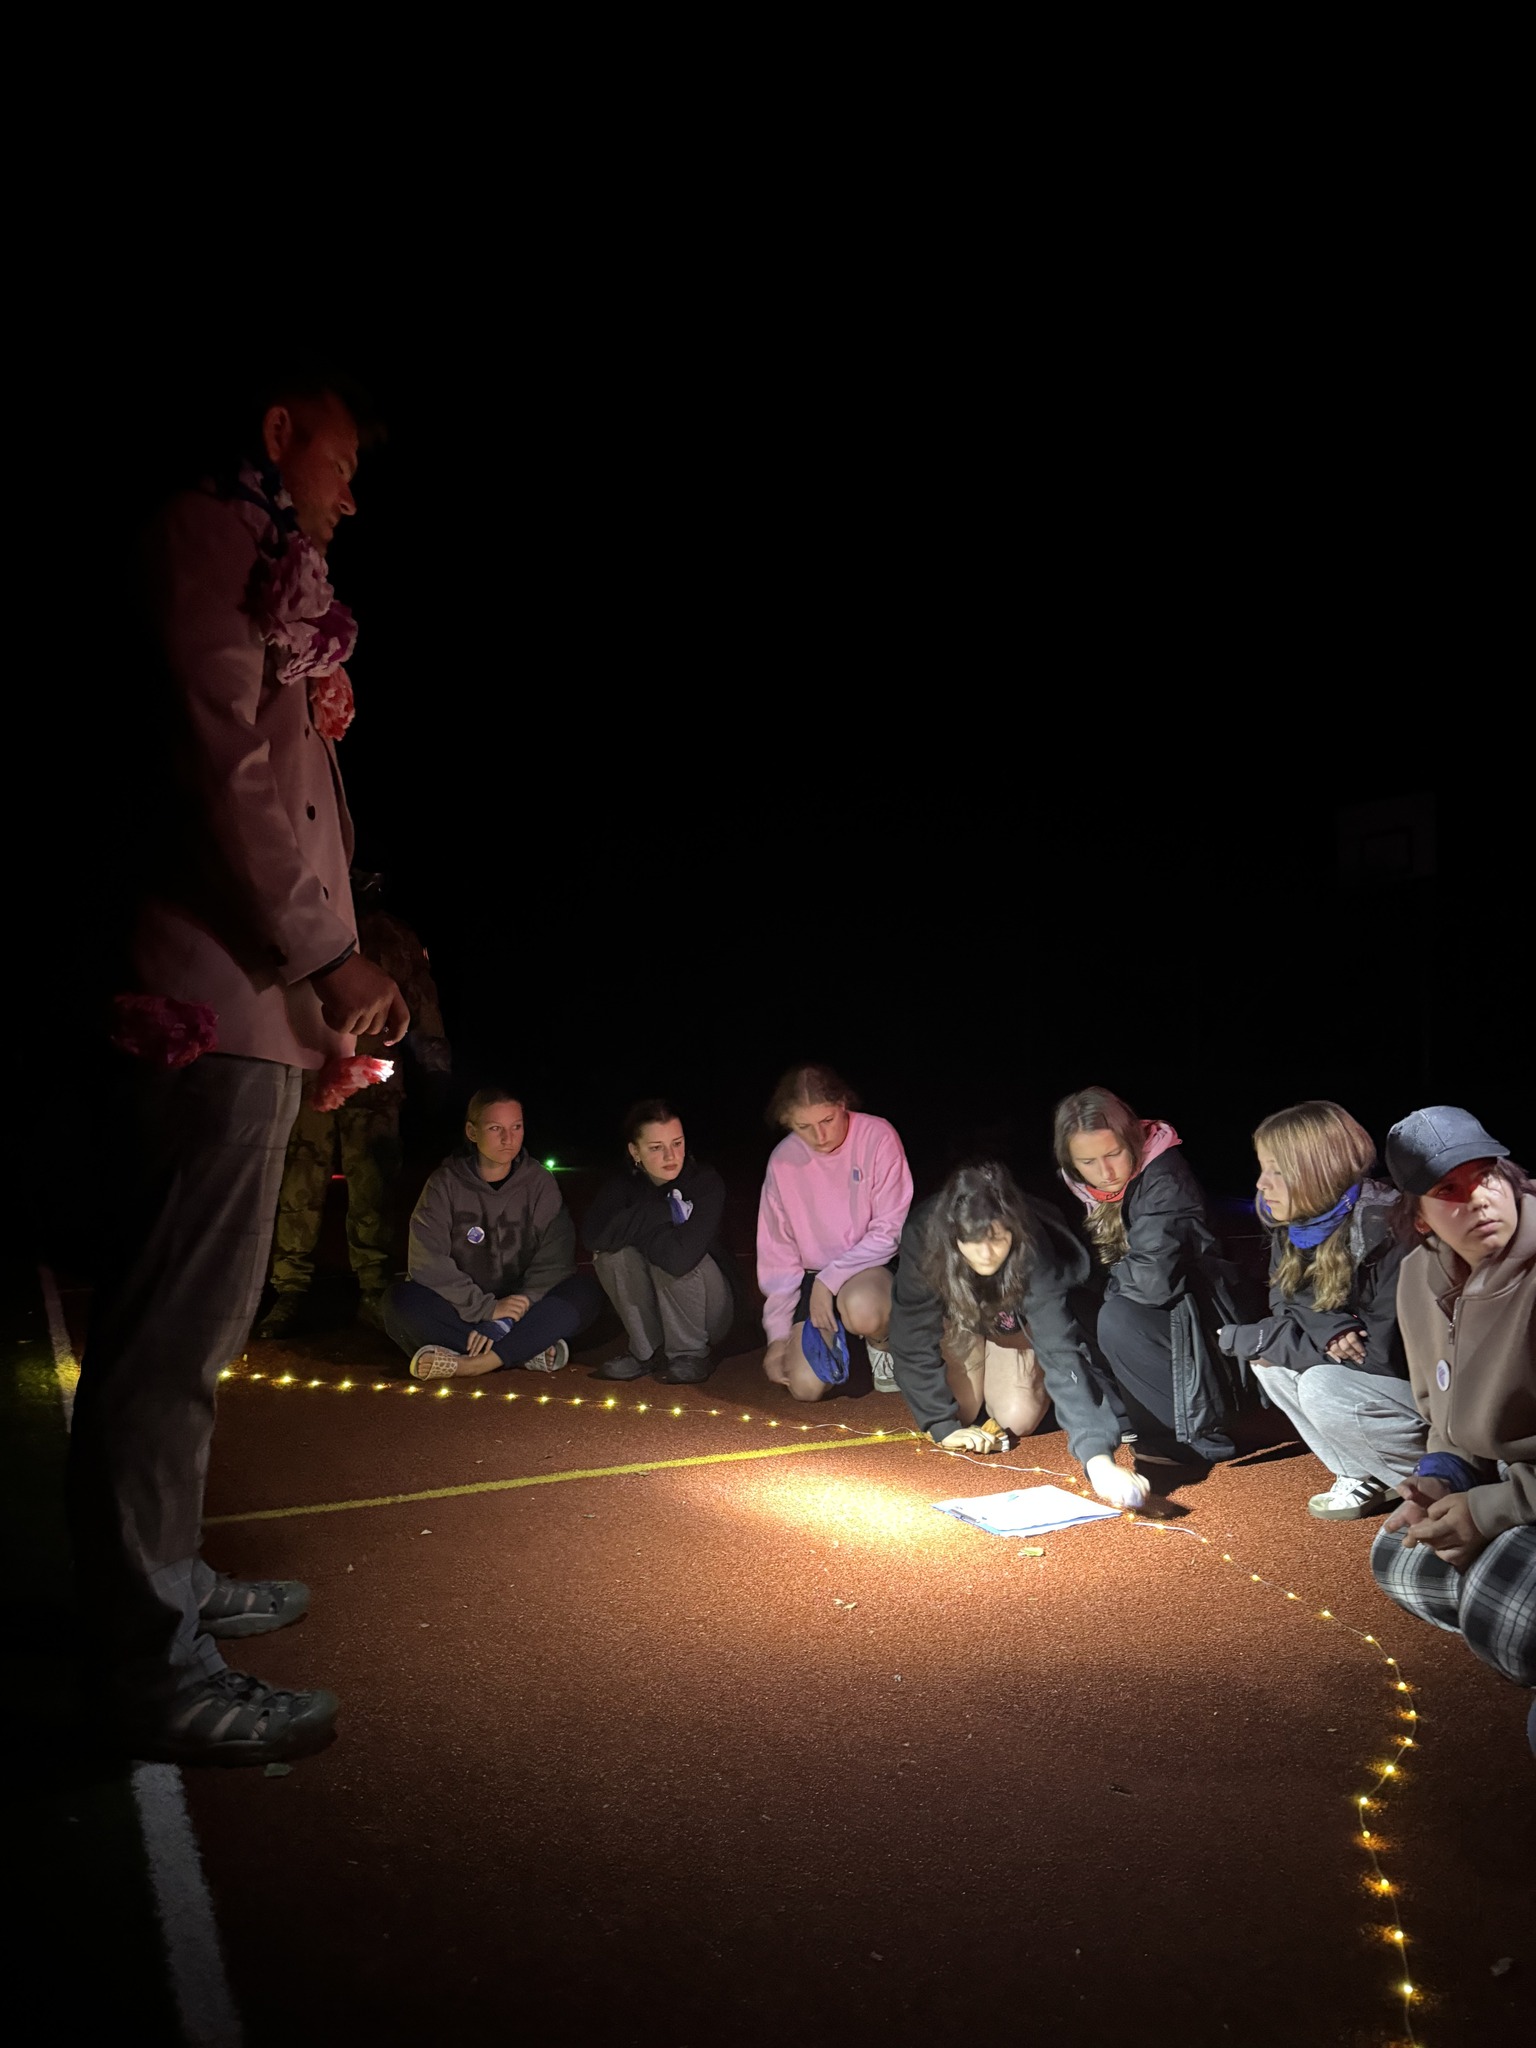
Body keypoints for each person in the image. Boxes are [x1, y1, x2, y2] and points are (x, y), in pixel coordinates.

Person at [68, 373, 409, 1766]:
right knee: (168, 1346)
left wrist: (320, 1021)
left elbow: (287, 789)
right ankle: (150, 1657)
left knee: (194, 1339)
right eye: (341, 457)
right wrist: (332, 957)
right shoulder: (206, 536)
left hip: (256, 1012)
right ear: (278, 432)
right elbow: (229, 774)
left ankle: (163, 1584)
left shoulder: (270, 568)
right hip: (206, 1006)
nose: (351, 491)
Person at [1369, 1108, 1535, 1746]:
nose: (1478, 1199)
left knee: (1509, 1613)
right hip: (1510, 1486)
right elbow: (1443, 1416)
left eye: (1485, 1175)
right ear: (1419, 1216)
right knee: (1399, 1555)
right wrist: (1441, 1478)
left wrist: (1490, 1511)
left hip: (1523, 1493)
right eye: (1449, 1190)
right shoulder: (1420, 1274)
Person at [889, 1161, 1150, 1508]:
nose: (986, 1254)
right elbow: (911, 1334)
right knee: (961, 1413)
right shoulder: (925, 1235)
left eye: (997, 1239)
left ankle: (1003, 1350)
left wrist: (1098, 1460)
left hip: (1009, 1324)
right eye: (972, 1242)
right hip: (959, 1321)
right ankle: (973, 1351)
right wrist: (941, 1424)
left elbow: (1061, 1351)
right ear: (953, 1236)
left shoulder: (1032, 1241)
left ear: (1012, 1229)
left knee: (1017, 1418)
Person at [1216, 1102, 1423, 1519]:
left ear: (1318, 1169)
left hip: (1424, 1396)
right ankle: (1361, 1474)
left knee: (1318, 1384)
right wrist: (1328, 1325)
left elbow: (1382, 1356)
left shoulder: (1390, 1228)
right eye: (1263, 1168)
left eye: (1276, 1170)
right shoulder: (1300, 1223)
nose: (1261, 1183)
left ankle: (1442, 1487)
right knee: (1271, 1362)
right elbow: (1283, 1302)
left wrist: (1263, 1338)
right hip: (1372, 1371)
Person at [260, 892, 449, 1335]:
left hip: (373, 1081)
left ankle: (373, 1290)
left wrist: (437, 1068)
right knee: (298, 1184)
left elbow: (421, 1001)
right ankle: (289, 1290)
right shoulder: (312, 921)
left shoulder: (392, 935)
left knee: (372, 1187)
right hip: (312, 1072)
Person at [1054, 1085, 1244, 1466]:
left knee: (1117, 1315)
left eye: (1113, 1154)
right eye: (1088, 1162)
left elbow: (1152, 1281)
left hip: (1207, 1331)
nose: (1104, 1172)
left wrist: (1105, 1291)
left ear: (1133, 1141)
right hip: (1153, 1312)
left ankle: (1196, 1435)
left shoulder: (1165, 1178)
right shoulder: (1078, 1187)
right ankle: (1124, 1418)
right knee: (1066, 1300)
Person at [383, 1088, 602, 1378]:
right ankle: (525, 1350)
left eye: (516, 1127)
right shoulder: (444, 1183)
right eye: (496, 1128)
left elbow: (555, 1261)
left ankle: (476, 1362)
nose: (508, 1139)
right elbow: (427, 1261)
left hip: (523, 1308)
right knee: (399, 1301)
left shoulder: (539, 1182)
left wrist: (517, 1308)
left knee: (584, 1292)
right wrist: (487, 1309)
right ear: (472, 1132)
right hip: (464, 1305)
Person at [756, 1063, 913, 1400]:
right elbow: (778, 1255)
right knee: (805, 1388)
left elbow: (889, 1231)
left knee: (862, 1308)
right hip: (814, 1277)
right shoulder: (782, 1162)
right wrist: (777, 1337)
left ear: (843, 1104)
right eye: (804, 1127)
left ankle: (883, 1343)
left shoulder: (877, 1135)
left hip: (871, 1267)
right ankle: (839, 1340)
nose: (820, 1136)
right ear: (788, 1123)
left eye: (827, 1120)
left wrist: (829, 1281)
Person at [582, 1099, 742, 1384]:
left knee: (673, 1255)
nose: (671, 1155)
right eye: (656, 1148)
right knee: (612, 1256)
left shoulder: (704, 1182)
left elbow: (679, 1259)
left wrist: (632, 1228)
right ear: (635, 1152)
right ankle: (647, 1351)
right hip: (659, 1306)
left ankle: (690, 1354)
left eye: (677, 1143)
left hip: (709, 1311)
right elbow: (594, 1237)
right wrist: (666, 1211)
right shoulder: (623, 1185)